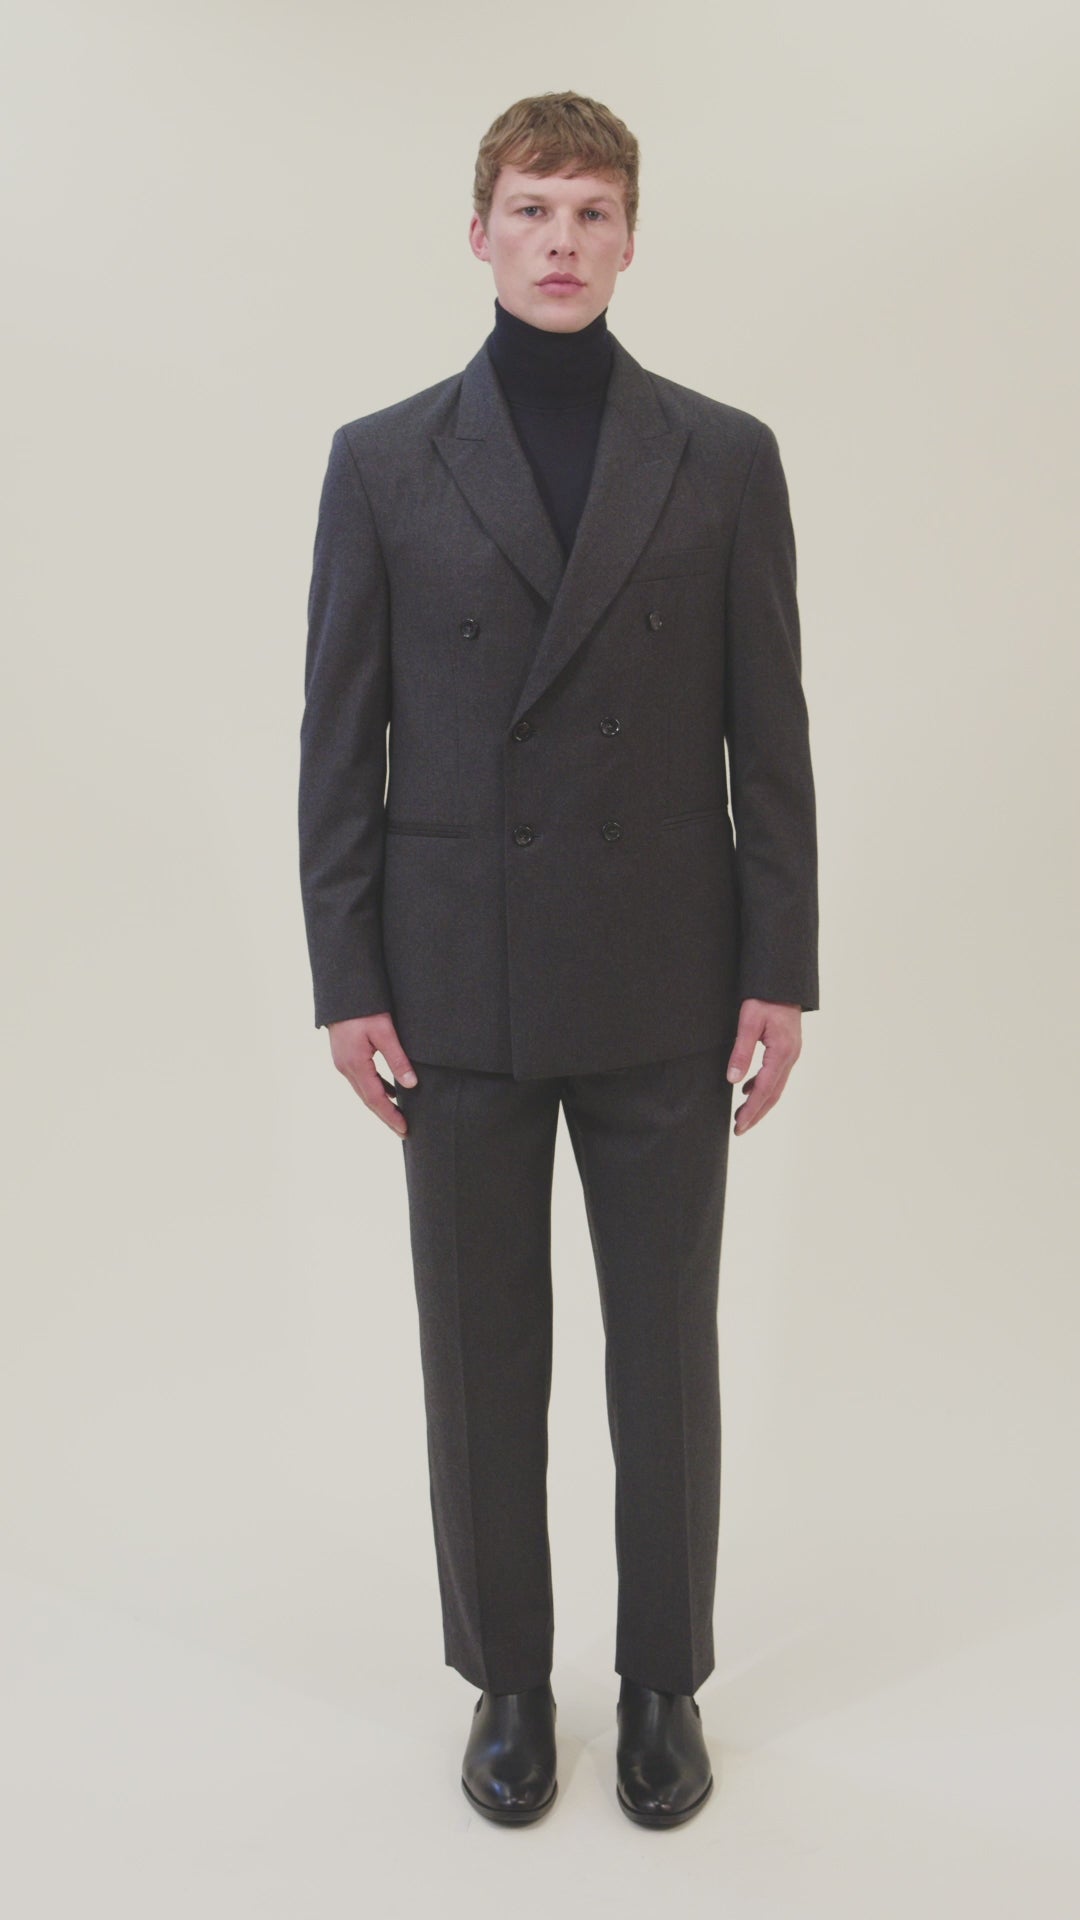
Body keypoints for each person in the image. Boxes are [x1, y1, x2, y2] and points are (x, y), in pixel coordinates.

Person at [298, 89, 819, 1828]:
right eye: (532, 209)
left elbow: (771, 732)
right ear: (480, 234)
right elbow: (339, 738)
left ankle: (662, 1679)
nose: (562, 241)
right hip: (457, 974)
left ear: (631, 238)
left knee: (665, 1351)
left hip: (669, 968)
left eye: (592, 212)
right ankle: (507, 1681)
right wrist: (347, 974)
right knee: (480, 1350)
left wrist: (781, 963)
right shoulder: (383, 460)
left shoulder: (723, 455)